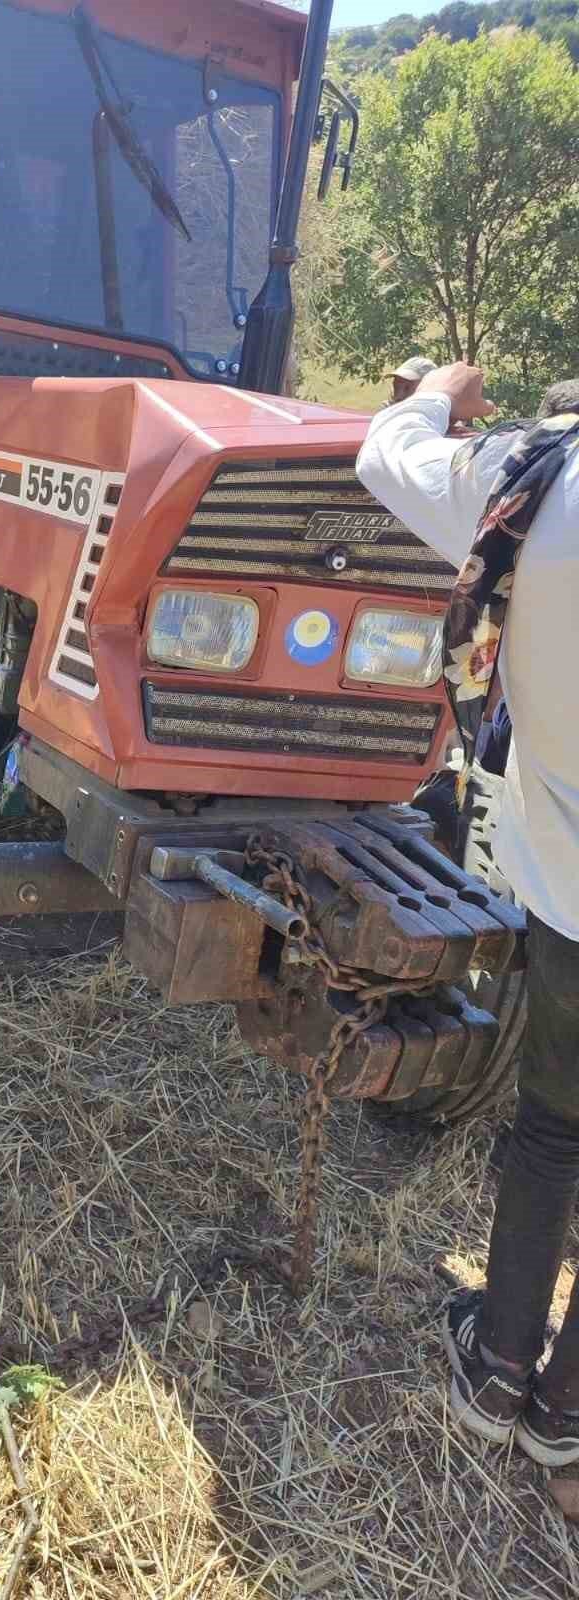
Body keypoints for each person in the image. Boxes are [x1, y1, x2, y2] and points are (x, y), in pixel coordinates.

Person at [356, 363, 579, 1472]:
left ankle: (496, 1371)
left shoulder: (535, 478)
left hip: (571, 890)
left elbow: (382, 456)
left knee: (551, 1131)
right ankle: (566, 1416)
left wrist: (432, 390)